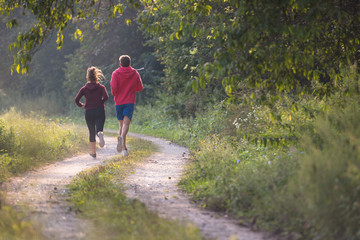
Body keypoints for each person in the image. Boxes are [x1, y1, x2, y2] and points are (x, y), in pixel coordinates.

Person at [110, 55, 143, 156]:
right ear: (130, 63)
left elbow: (113, 89)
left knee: (121, 125)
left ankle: (124, 149)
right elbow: (140, 87)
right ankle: (122, 140)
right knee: (126, 124)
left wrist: (116, 93)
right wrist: (131, 89)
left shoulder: (115, 73)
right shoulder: (135, 73)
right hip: (129, 101)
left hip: (119, 102)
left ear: (120, 64)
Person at [75, 66, 109, 158]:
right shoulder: (101, 87)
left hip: (89, 111)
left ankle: (93, 153)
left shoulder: (84, 88)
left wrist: (82, 105)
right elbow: (106, 97)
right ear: (96, 76)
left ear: (88, 76)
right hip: (99, 110)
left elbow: (76, 99)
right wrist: (100, 102)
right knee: (99, 129)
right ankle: (100, 134)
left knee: (91, 132)